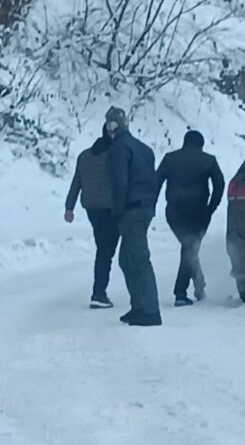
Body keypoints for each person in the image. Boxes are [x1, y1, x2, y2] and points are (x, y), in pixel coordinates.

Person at [105, 106, 162, 327]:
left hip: (130, 210)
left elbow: (120, 183)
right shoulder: (145, 149)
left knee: (138, 259)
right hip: (145, 208)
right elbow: (153, 181)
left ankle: (150, 310)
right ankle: (139, 306)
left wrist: (117, 212)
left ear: (112, 126)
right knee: (127, 259)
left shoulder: (119, 149)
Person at [157, 130, 225, 306]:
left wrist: (149, 206)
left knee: (189, 248)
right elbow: (220, 184)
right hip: (199, 212)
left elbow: (155, 182)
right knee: (190, 248)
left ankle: (198, 283)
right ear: (201, 145)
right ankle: (181, 293)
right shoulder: (209, 160)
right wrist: (211, 207)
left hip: (174, 212)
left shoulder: (170, 158)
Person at [64, 123, 118, 309]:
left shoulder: (85, 156)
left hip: (91, 208)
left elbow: (76, 183)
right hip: (111, 208)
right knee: (107, 250)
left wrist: (69, 207)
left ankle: (99, 291)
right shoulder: (115, 155)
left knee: (103, 247)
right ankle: (99, 292)